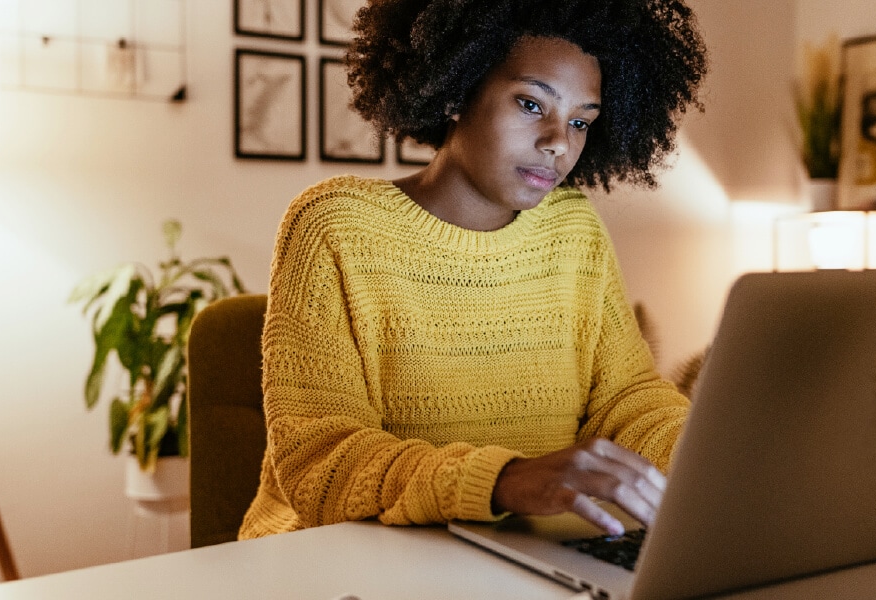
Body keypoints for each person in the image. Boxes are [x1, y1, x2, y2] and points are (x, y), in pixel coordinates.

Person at [239, 0, 708, 540]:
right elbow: (322, 460)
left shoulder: (573, 229)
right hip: (345, 554)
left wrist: (710, 458)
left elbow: (628, 400)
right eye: (532, 105)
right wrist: (502, 480)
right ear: (458, 91)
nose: (560, 141)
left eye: (580, 121)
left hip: (520, 545)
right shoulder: (335, 227)